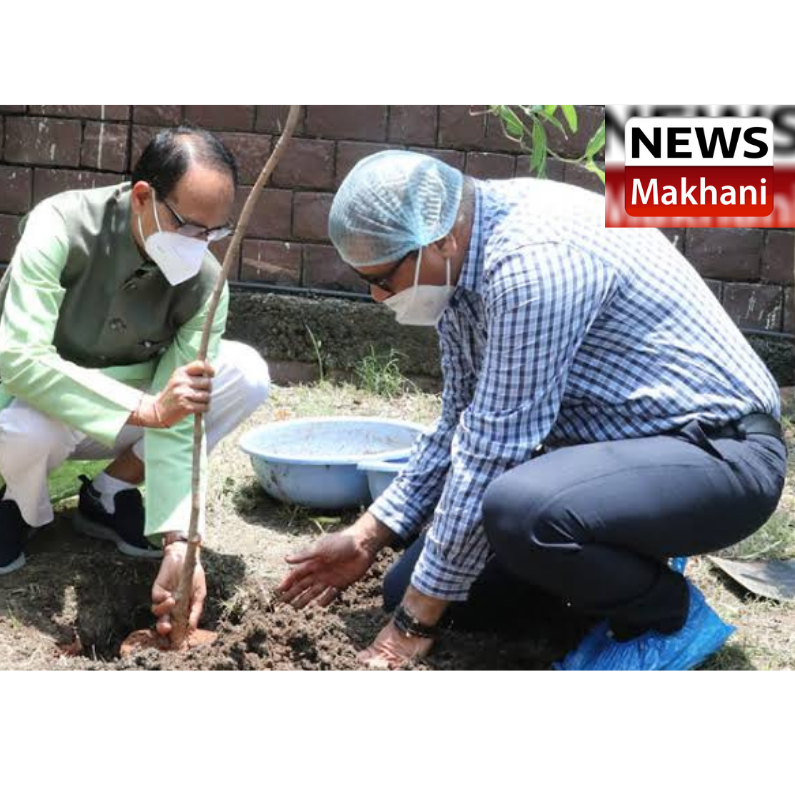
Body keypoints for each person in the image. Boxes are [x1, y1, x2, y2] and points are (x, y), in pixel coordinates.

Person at [277, 150, 787, 670]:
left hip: (719, 455)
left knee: (520, 512)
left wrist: (412, 626)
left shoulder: (534, 264)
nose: (375, 295)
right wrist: (367, 537)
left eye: (384, 277)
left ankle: (666, 613)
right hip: (628, 456)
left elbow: (493, 451)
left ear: (440, 241)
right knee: (407, 586)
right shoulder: (460, 270)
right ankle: (621, 566)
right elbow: (459, 424)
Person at [0, 126, 270, 638]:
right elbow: (23, 360)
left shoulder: (205, 284)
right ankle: (21, 504)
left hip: (132, 407)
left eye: (213, 233)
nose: (199, 246)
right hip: (29, 399)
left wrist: (180, 540)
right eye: (187, 227)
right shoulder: (60, 224)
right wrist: (148, 410)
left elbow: (182, 414)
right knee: (26, 430)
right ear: (143, 197)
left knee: (243, 372)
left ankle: (110, 493)